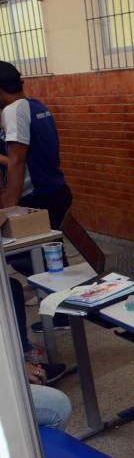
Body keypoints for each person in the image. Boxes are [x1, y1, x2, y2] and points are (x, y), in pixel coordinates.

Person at [0, 60, 73, 332]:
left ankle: (63, 311)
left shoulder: (14, 111)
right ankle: (64, 310)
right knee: (51, 254)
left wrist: (10, 209)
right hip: (55, 190)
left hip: (38, 196)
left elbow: (17, 161)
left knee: (22, 255)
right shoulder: (37, 106)